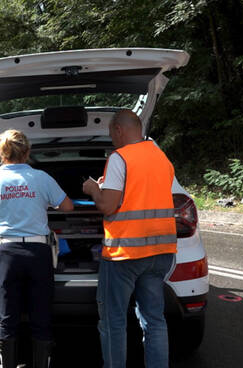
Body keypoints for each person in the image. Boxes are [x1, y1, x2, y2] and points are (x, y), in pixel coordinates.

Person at [82, 109, 177, 368]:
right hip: (160, 251)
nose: (112, 138)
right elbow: (143, 193)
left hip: (125, 253)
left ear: (119, 130)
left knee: (113, 322)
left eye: (111, 133)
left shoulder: (120, 157)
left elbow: (108, 207)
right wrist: (110, 186)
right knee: (154, 320)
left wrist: (93, 189)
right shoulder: (161, 157)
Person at [0, 130, 74, 368]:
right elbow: (68, 207)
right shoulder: (41, 178)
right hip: (38, 253)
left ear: (2, 154)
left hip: (8, 254)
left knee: (8, 315)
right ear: (28, 152)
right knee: (41, 315)